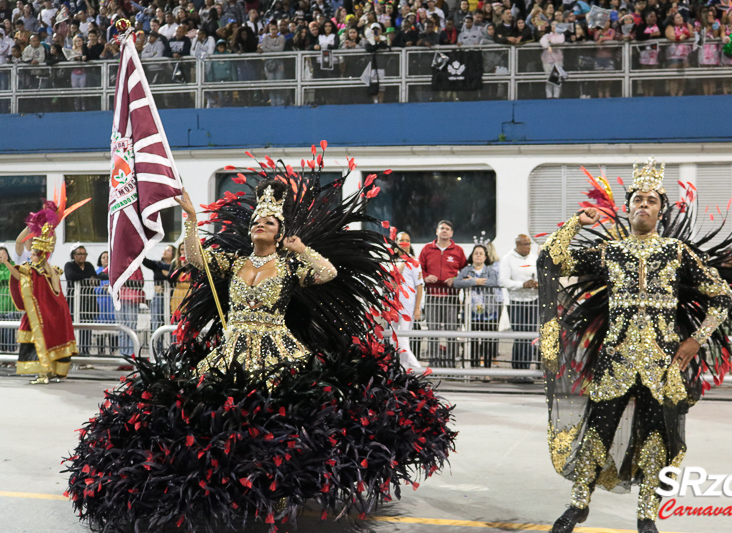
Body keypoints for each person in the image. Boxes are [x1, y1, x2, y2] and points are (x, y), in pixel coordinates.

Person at [66, 149, 455, 531]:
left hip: (278, 350)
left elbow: (328, 273)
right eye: (256, 221)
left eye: (268, 222)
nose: (259, 225)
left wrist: (303, 250)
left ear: (280, 231)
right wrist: (189, 217)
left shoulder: (287, 266)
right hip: (232, 348)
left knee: (277, 423)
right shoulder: (234, 263)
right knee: (221, 420)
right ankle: (226, 486)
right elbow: (195, 259)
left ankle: (279, 489)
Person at [539, 159, 732, 533]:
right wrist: (577, 223)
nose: (644, 205)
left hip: (663, 365)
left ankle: (647, 515)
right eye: (638, 200)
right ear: (627, 208)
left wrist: (695, 339)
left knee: (658, 439)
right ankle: (578, 505)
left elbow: (722, 296)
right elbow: (552, 260)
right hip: (615, 361)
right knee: (598, 432)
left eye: (651, 201)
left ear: (661, 209)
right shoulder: (611, 252)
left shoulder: (677, 253)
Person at [3, 202, 80, 384]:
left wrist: (47, 223)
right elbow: (20, 242)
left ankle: (45, 373)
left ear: (39, 253)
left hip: (43, 311)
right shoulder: (33, 261)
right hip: (42, 309)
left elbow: (21, 272)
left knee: (42, 339)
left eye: (34, 252)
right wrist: (34, 223)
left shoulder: (41, 266)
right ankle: (48, 372)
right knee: (43, 339)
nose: (30, 250)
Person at [418, 220, 467, 367]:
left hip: (451, 297)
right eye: (442, 228)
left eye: (447, 229)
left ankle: (451, 364)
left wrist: (455, 279)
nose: (444, 231)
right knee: (432, 332)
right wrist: (426, 277)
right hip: (432, 297)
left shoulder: (458, 251)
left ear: (451, 233)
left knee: (451, 331)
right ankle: (434, 364)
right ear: (437, 232)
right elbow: (418, 269)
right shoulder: (427, 249)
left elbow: (465, 271)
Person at [454, 244, 501, 368]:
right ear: (472, 256)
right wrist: (475, 281)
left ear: (486, 257)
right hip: (471, 313)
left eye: (481, 253)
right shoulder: (466, 270)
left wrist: (469, 281)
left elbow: (493, 282)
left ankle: (487, 371)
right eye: (476, 253)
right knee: (472, 341)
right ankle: (473, 369)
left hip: (489, 313)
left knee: (488, 342)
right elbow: (457, 282)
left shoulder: (490, 270)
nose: (478, 255)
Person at [499, 234, 538, 369]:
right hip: (516, 302)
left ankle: (526, 368)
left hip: (533, 300)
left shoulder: (534, 259)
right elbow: (503, 281)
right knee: (519, 336)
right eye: (525, 244)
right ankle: (517, 368)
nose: (528, 247)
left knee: (530, 336)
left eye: (529, 244)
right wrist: (522, 284)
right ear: (518, 245)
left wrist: (538, 284)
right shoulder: (507, 259)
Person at [391, 232, 424, 369]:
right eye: (400, 240)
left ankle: (420, 371)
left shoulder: (414, 263)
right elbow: (390, 284)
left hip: (407, 306)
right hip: (392, 305)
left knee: (403, 340)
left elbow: (420, 286)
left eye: (407, 240)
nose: (404, 242)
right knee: (394, 341)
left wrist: (417, 308)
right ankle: (404, 372)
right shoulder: (391, 261)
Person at [64, 244, 96, 355]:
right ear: (74, 255)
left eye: (84, 254)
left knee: (87, 327)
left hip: (88, 302)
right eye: (79, 254)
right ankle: (72, 350)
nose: (82, 256)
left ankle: (85, 351)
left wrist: (87, 277)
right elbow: (71, 275)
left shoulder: (89, 265)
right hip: (73, 302)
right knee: (73, 327)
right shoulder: (69, 265)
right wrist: (87, 277)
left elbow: (95, 277)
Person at [142, 245, 175, 341]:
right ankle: (157, 348)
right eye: (164, 249)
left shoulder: (176, 266)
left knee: (172, 320)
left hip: (172, 297)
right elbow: (144, 261)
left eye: (168, 250)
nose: (164, 251)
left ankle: (172, 347)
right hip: (158, 296)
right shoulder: (157, 264)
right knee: (157, 321)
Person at [93, 251, 117, 356]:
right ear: (100, 259)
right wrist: (102, 289)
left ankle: (113, 351)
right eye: (103, 257)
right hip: (100, 305)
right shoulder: (96, 272)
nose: (106, 259)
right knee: (100, 330)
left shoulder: (115, 271)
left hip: (112, 305)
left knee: (113, 330)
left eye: (108, 257)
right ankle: (101, 351)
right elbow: (93, 288)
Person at [0, 246, 19, 353]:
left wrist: (6, 264)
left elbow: (11, 276)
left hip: (11, 305)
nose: (1, 258)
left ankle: (11, 353)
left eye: (3, 255)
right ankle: (2, 354)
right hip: (0, 305)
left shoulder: (13, 266)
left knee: (9, 331)